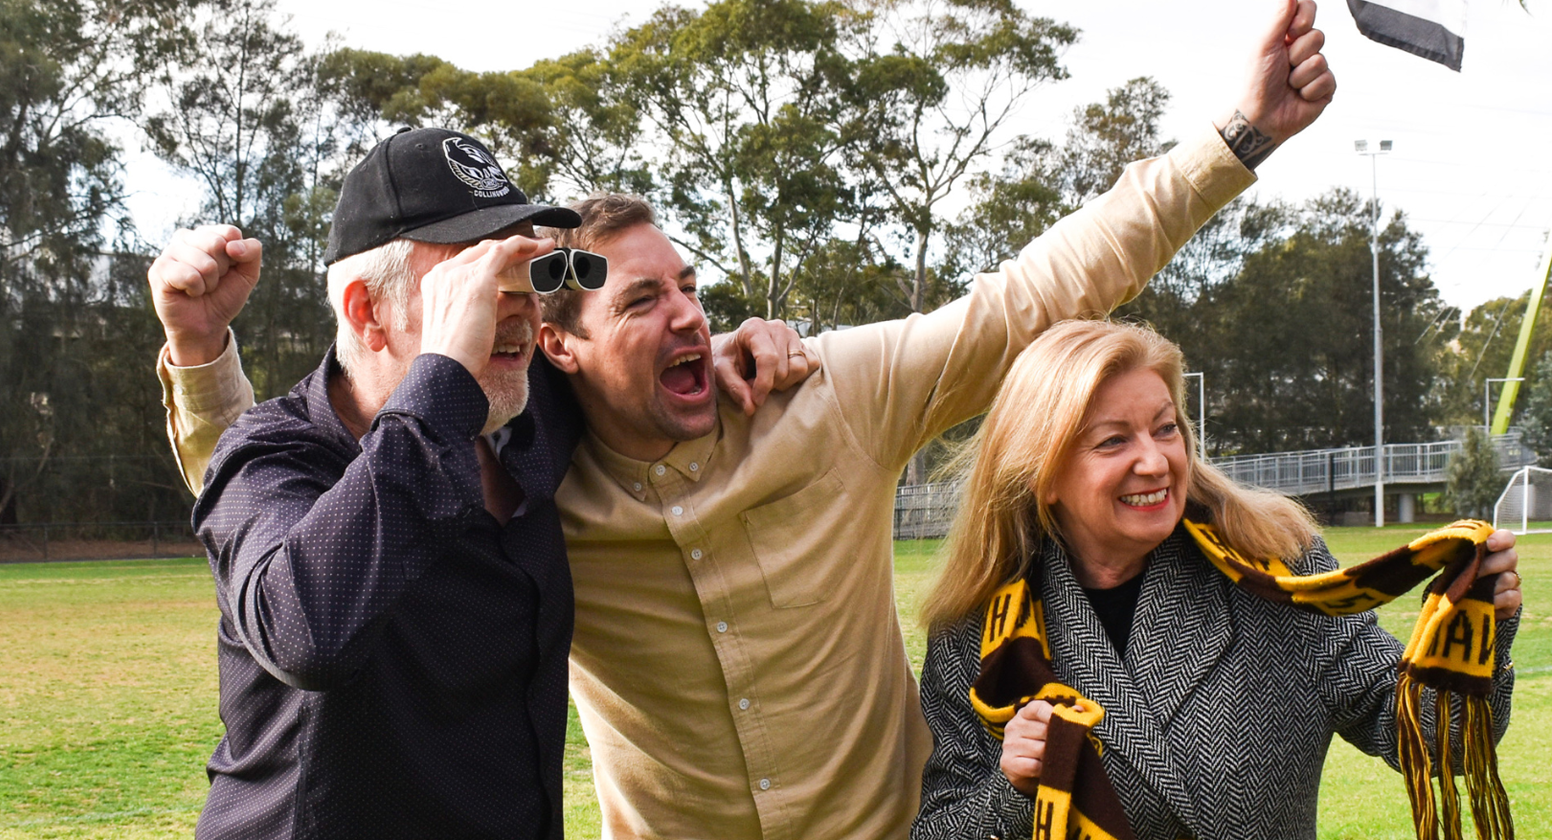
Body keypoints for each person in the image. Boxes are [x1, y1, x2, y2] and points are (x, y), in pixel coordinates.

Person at [157, 1, 1336, 835]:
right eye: (637, 300)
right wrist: (206, 356)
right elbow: (279, 517)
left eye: (692, 291)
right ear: (558, 344)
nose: (686, 318)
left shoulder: (817, 393)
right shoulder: (499, 444)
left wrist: (1234, 141)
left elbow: (1033, 291)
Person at [151, 127, 807, 840]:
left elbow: (622, 360)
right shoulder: (275, 456)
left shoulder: (523, 416)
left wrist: (726, 345)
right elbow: (308, 635)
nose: (521, 307)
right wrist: (442, 378)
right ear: (368, 314)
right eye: (474, 285)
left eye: (527, 272)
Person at [911, 319, 1523, 840]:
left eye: (1166, 427)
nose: (1155, 460)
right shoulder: (976, 633)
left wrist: (1477, 632)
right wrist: (1012, 791)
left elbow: (1434, 740)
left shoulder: (1277, 565)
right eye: (1113, 440)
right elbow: (938, 827)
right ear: (1043, 474)